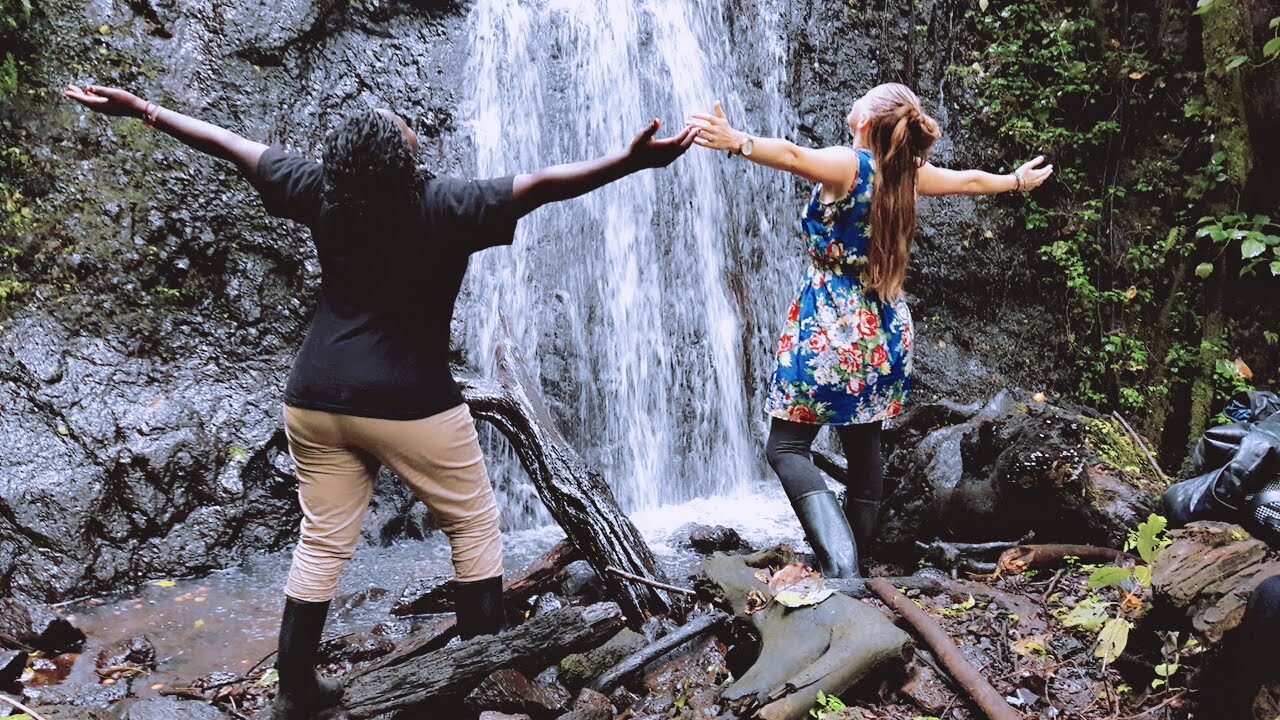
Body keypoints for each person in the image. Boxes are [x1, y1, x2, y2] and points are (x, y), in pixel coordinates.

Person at [64, 82, 698, 720]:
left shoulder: (318, 190)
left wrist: (144, 110)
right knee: (474, 527)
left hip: (315, 398)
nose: (409, 124)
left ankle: (294, 691)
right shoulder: (447, 203)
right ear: (401, 155)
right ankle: (472, 682)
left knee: (321, 541)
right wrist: (630, 160)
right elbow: (541, 185)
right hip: (412, 403)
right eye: (402, 126)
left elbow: (227, 144)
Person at [689, 83, 1052, 578]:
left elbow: (794, 155)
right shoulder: (906, 174)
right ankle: (854, 561)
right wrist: (1015, 181)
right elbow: (968, 182)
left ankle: (841, 567)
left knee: (786, 447)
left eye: (863, 98)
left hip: (830, 328)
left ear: (865, 121)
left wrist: (738, 141)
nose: (853, 100)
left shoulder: (851, 165)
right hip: (882, 329)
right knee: (863, 445)